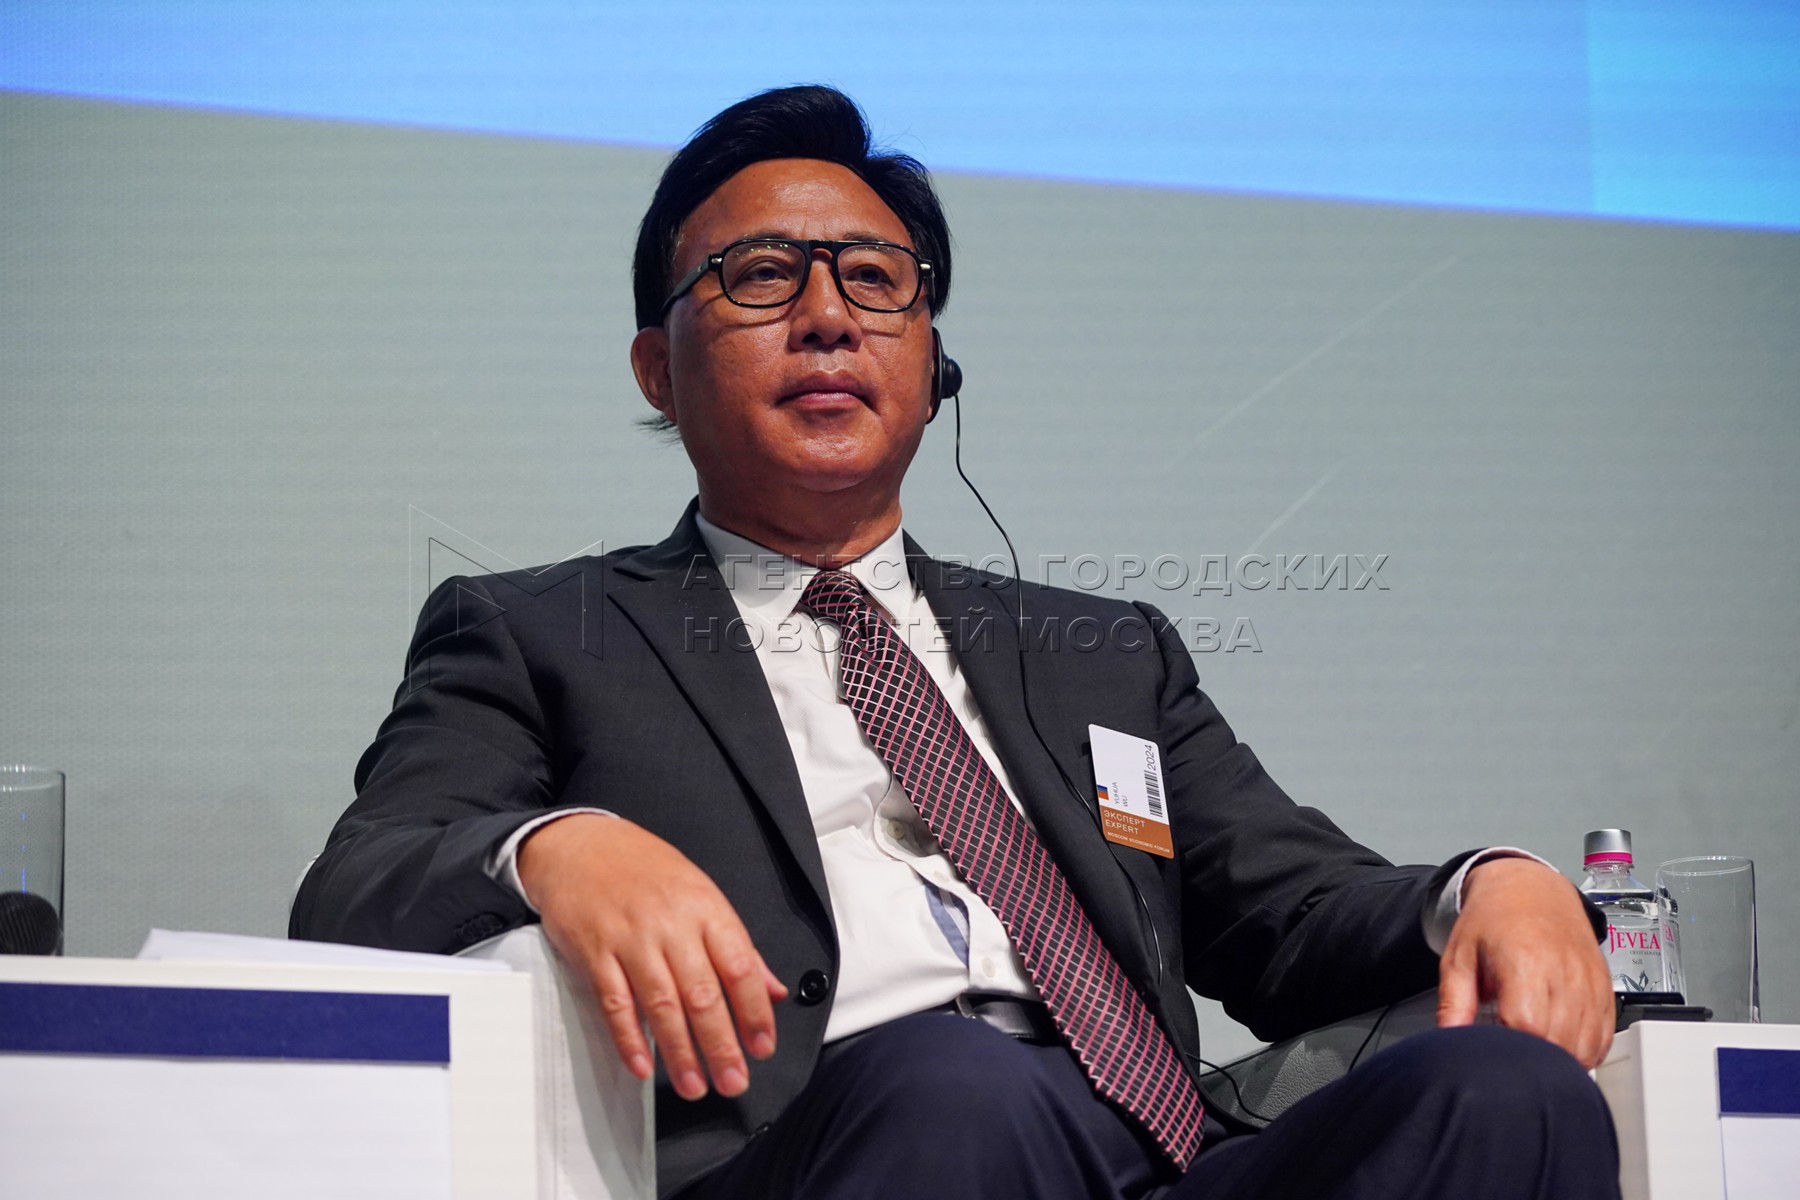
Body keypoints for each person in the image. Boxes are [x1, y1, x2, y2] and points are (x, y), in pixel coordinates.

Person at [292, 85, 1620, 1200]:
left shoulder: (1104, 651)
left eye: (875, 280)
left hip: (1158, 1161)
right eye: (761, 277)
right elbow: (357, 888)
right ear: (657, 369)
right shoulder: (541, 632)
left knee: (1507, 1092)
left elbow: (1288, 910)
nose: (829, 317)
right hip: (842, 1148)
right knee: (957, 1080)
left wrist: (1490, 885)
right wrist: (555, 847)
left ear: (933, 367)